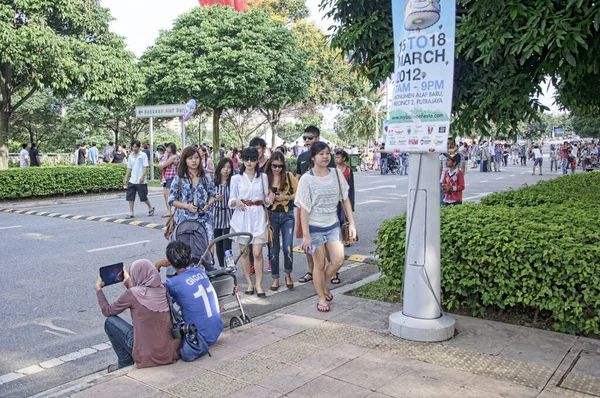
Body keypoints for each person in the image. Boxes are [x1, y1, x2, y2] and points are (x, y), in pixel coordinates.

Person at [295, 142, 356, 312]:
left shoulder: (336, 174)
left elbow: (345, 199)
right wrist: (306, 235)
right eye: (321, 153)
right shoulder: (307, 178)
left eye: (327, 153)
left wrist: (352, 223)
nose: (325, 156)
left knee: (338, 261)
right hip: (314, 229)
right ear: (313, 157)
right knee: (319, 265)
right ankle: (321, 298)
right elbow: (304, 209)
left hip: (333, 225)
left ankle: (322, 286)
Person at [95, 259, 179, 372]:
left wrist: (98, 290)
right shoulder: (163, 289)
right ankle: (124, 363)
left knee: (110, 322)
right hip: (168, 353)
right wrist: (129, 282)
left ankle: (124, 363)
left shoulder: (132, 294)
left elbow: (107, 310)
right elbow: (142, 293)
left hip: (145, 354)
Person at [228, 147, 273, 297]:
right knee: (244, 252)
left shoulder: (263, 177)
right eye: (246, 159)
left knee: (258, 252)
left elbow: (266, 199)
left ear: (257, 161)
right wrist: (237, 201)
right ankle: (249, 283)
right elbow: (230, 200)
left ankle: (259, 284)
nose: (249, 162)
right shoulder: (236, 178)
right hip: (242, 217)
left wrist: (270, 199)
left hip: (258, 216)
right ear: (242, 160)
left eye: (252, 159)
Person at [160, 241, 223, 346]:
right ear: (190, 256)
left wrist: (157, 265)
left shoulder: (172, 283)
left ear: (169, 262)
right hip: (216, 330)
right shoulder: (199, 271)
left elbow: (157, 299)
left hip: (198, 337)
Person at [295, 126, 335, 284]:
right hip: (306, 206)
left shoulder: (326, 157)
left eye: (309, 137)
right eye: (304, 137)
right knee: (307, 240)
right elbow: (298, 178)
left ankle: (332, 271)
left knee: (327, 241)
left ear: (317, 138)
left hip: (325, 207)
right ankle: (311, 271)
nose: (306, 140)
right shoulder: (302, 157)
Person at [168, 146, 216, 239]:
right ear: (185, 160)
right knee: (188, 250)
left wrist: (208, 204)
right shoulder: (179, 178)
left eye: (196, 158)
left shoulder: (207, 176)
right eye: (190, 158)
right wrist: (186, 206)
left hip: (205, 218)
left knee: (208, 250)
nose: (194, 161)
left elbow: (213, 195)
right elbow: (172, 200)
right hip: (185, 220)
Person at [265, 151, 297, 291]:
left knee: (288, 247)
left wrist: (285, 197)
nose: (277, 168)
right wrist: (268, 198)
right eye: (274, 166)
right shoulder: (265, 178)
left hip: (287, 215)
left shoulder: (289, 177)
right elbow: (260, 195)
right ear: (270, 164)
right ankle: (275, 278)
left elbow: (298, 193)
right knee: (274, 248)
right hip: (271, 216)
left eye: (280, 166)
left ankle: (288, 274)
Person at [331, 149, 356, 285]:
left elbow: (351, 188)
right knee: (338, 220)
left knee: (343, 220)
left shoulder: (348, 170)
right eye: (336, 156)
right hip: (334, 200)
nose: (337, 159)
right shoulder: (332, 169)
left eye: (339, 157)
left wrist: (350, 204)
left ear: (344, 158)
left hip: (344, 199)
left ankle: (344, 238)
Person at [123, 140, 155, 219]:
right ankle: (131, 212)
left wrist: (142, 176)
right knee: (130, 197)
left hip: (141, 180)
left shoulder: (143, 155)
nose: (134, 148)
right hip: (132, 180)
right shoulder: (130, 156)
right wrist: (126, 177)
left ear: (139, 147)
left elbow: (145, 167)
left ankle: (150, 207)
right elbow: (129, 168)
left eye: (136, 147)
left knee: (143, 197)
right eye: (133, 147)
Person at [213, 158, 234, 268]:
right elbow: (208, 197)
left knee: (227, 244)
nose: (226, 170)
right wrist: (215, 197)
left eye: (229, 167)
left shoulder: (233, 182)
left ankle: (230, 266)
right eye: (224, 167)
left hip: (228, 214)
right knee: (218, 243)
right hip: (216, 214)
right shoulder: (213, 182)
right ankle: (221, 266)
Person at [153, 143, 178, 218]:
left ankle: (172, 210)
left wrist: (152, 164)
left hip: (172, 177)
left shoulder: (173, 157)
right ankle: (169, 211)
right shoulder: (167, 156)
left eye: (169, 148)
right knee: (165, 195)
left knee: (168, 194)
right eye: (167, 147)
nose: (167, 149)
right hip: (167, 177)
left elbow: (163, 165)